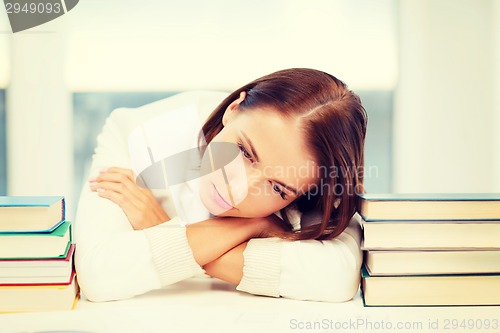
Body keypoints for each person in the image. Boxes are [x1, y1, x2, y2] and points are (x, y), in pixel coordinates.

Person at [75, 68, 367, 302]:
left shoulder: (322, 177)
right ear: (234, 108)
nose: (237, 189)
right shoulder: (135, 132)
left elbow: (336, 277)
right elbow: (98, 274)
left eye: (278, 189)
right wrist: (251, 225)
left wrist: (162, 229)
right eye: (244, 152)